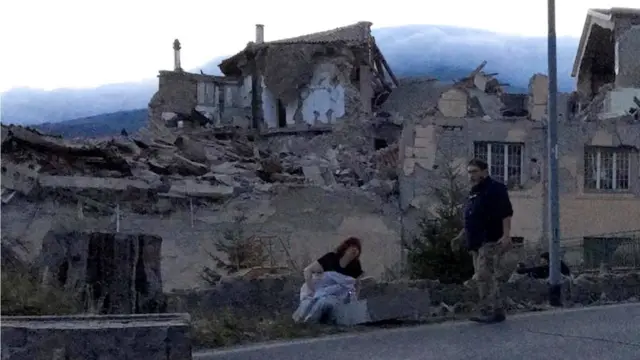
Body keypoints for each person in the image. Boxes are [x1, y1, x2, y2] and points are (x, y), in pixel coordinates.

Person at [451, 158, 514, 324]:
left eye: (474, 171)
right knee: (483, 277)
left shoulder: (496, 189)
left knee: (484, 275)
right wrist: (460, 236)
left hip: (491, 239)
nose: (471, 175)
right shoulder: (474, 192)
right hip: (476, 241)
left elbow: (506, 213)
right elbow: (472, 218)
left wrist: (506, 235)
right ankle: (495, 310)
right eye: (469, 172)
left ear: (484, 171)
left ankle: (491, 310)